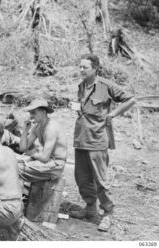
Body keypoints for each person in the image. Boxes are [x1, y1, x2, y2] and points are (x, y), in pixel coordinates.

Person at [71, 54, 136, 232]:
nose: (81, 70)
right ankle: (90, 208)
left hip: (98, 140)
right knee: (82, 178)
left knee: (101, 180)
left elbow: (131, 100)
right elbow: (83, 107)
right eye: (80, 67)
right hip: (81, 139)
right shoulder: (82, 85)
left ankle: (107, 213)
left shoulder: (105, 86)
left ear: (95, 69)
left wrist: (113, 115)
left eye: (85, 67)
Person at [19, 99, 68, 183]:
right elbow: (23, 148)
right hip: (46, 162)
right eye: (30, 113)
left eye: (34, 113)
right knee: (11, 162)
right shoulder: (37, 127)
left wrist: (32, 154)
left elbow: (44, 158)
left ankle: (14, 194)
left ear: (43, 112)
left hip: (55, 165)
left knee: (15, 168)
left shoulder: (51, 128)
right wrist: (25, 131)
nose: (31, 116)